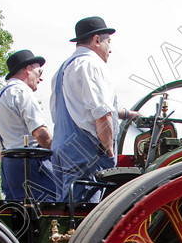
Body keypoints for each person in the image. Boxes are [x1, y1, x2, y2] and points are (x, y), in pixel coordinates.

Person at [50, 16, 139, 202]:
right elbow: (102, 113)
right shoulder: (92, 65)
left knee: (65, 210)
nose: (110, 49)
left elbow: (70, 110)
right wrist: (109, 152)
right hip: (86, 152)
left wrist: (126, 114)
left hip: (60, 148)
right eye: (108, 41)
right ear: (97, 40)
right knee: (88, 216)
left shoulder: (62, 70)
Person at [0, 49, 57, 201]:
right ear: (28, 69)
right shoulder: (22, 91)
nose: (41, 78)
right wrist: (59, 155)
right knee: (49, 209)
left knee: (17, 212)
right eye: (39, 72)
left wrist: (11, 160)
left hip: (8, 164)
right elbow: (41, 134)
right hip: (31, 163)